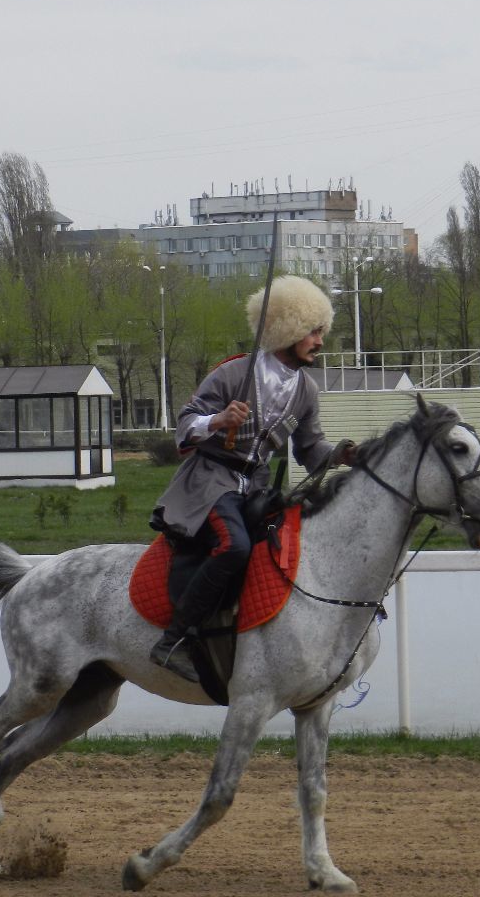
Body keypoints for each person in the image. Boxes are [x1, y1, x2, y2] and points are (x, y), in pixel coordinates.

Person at [148, 275, 355, 683]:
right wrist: (219, 419)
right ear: (289, 330)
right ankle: (174, 640)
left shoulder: (307, 390)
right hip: (209, 483)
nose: (319, 341)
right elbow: (185, 426)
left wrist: (340, 456)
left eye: (320, 332)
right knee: (235, 546)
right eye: (313, 332)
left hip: (256, 490)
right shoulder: (232, 374)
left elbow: (310, 449)